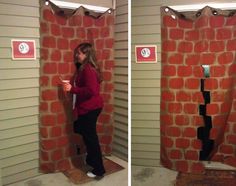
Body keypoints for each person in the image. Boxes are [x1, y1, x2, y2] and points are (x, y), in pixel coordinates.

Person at [62, 42, 105, 179]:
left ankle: (99, 170)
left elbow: (91, 91)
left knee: (91, 139)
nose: (76, 55)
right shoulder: (85, 67)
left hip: (90, 108)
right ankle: (92, 160)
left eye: (79, 53)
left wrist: (72, 89)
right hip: (89, 107)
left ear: (87, 54)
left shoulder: (88, 69)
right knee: (84, 132)